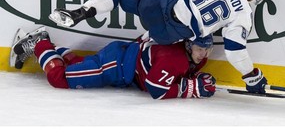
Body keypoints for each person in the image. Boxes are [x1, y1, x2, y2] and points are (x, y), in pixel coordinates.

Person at [49, 0, 270, 94]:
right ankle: (142, 50)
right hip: (169, 35)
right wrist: (251, 76)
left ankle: (83, 11)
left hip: (161, 4)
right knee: (188, 43)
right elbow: (235, 50)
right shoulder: (243, 14)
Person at [11, 26, 215, 100]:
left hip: (122, 60)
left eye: (207, 48)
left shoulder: (192, 54)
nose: (203, 54)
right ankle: (39, 43)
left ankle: (50, 47)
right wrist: (193, 88)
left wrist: (195, 78)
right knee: (60, 78)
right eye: (199, 48)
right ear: (188, 45)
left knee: (81, 66)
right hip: (114, 66)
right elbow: (156, 89)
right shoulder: (175, 59)